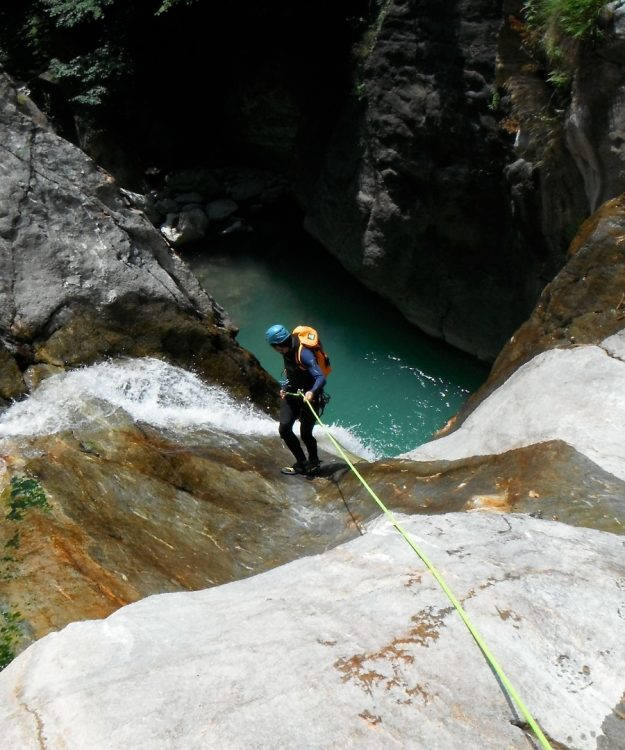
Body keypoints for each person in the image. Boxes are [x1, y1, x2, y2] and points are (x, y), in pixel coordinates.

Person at [265, 324, 326, 475]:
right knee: (284, 429)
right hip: (293, 393)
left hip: (310, 398)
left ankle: (314, 462)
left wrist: (312, 392)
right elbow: (293, 372)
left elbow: (320, 377)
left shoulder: (303, 353)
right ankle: (302, 463)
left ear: (277, 345)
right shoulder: (286, 351)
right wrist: (286, 386)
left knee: (305, 433)